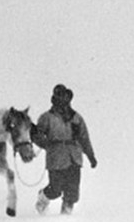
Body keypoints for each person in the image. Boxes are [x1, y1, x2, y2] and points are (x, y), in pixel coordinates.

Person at [32, 83, 97, 215]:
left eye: (66, 97)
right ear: (55, 98)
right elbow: (37, 135)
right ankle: (43, 198)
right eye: (60, 96)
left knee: (72, 194)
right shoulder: (47, 117)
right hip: (56, 158)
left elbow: (84, 138)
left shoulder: (76, 118)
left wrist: (91, 156)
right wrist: (47, 144)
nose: (63, 99)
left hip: (74, 158)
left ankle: (65, 219)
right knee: (55, 190)